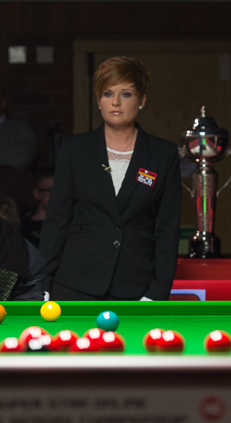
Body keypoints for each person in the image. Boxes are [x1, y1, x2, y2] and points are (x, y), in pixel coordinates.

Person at [39, 56, 181, 301]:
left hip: (136, 287)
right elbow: (56, 220)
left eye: (126, 94)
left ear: (142, 100)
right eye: (107, 94)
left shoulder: (163, 154)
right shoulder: (75, 149)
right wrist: (42, 283)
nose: (115, 102)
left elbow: (169, 228)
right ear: (98, 100)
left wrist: (157, 292)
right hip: (74, 284)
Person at [21, 167, 54, 246]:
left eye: (59, 191)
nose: (55, 196)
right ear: (36, 193)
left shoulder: (70, 222)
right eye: (48, 191)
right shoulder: (23, 225)